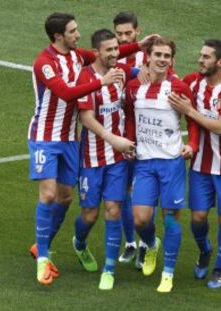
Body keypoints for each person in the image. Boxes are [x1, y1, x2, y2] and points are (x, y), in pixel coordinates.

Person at [28, 12, 144, 285]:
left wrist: (141, 45)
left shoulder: (77, 56)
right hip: (45, 138)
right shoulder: (44, 63)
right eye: (72, 31)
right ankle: (43, 257)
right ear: (58, 36)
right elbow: (66, 93)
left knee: (65, 198)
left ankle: (41, 246)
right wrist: (100, 83)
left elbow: (106, 52)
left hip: (70, 139)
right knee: (47, 195)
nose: (77, 35)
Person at [168, 39, 221, 289]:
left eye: (206, 57)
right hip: (200, 165)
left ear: (220, 62)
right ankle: (204, 250)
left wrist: (190, 111)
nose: (200, 60)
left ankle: (219, 269)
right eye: (200, 55)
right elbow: (169, 81)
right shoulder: (192, 82)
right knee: (198, 217)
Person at [124, 37, 199, 293]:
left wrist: (193, 146)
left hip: (171, 163)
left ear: (172, 60)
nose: (162, 59)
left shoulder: (179, 88)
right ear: (148, 57)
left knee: (171, 219)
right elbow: (131, 117)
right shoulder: (134, 88)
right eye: (158, 54)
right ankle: (151, 245)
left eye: (167, 56)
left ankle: (168, 273)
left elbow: (192, 121)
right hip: (144, 162)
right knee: (140, 219)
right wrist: (130, 142)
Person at [72, 29, 135, 290]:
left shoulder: (120, 72)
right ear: (95, 52)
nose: (114, 54)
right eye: (108, 50)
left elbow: (143, 75)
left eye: (116, 48)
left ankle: (108, 268)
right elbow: (86, 118)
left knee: (113, 210)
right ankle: (79, 243)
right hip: (91, 158)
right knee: (89, 214)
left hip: (117, 159)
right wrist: (114, 140)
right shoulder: (86, 78)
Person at [113, 11, 149, 268]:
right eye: (119, 34)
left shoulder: (152, 57)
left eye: (128, 33)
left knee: (144, 193)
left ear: (137, 32)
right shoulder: (111, 56)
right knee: (124, 191)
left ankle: (147, 245)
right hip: (120, 136)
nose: (124, 38)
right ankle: (130, 243)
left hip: (146, 136)